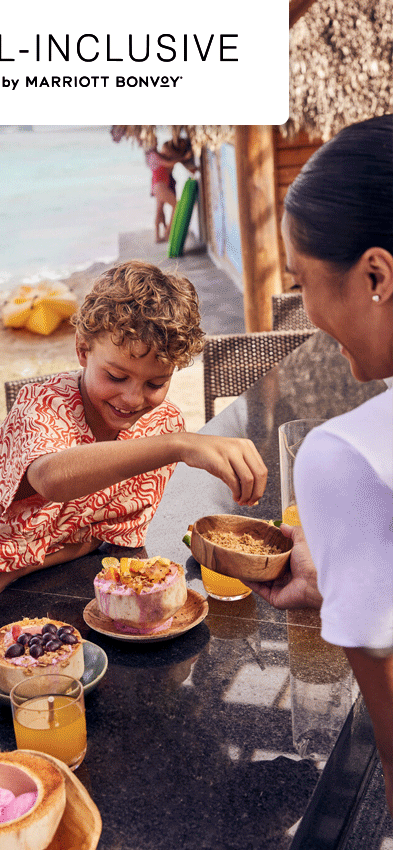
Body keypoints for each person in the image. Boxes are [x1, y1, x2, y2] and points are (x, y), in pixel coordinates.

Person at [0, 261, 267, 613]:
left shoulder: (163, 426)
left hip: (23, 584)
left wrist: (10, 574)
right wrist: (181, 446)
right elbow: (51, 477)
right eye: (115, 376)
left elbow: (102, 537)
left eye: (155, 384)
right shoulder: (41, 406)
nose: (132, 399)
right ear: (82, 350)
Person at [246, 115, 393, 812]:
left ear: (376, 274)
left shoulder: (347, 459)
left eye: (302, 281)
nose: (302, 309)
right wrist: (347, 579)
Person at [145, 139, 192, 242]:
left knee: (159, 210)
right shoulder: (155, 156)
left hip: (157, 186)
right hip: (160, 186)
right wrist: (184, 158)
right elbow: (169, 164)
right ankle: (168, 233)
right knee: (176, 205)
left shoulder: (155, 155)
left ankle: (158, 236)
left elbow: (170, 162)